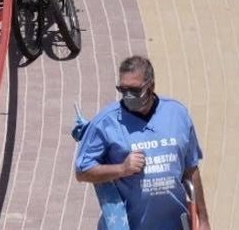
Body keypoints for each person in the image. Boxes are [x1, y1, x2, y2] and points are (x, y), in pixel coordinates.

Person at [75, 56, 211, 230]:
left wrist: (203, 219)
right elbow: (82, 171)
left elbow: (191, 169)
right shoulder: (105, 123)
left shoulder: (178, 114)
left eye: (134, 90)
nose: (128, 96)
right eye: (123, 90)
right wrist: (121, 169)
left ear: (151, 86)